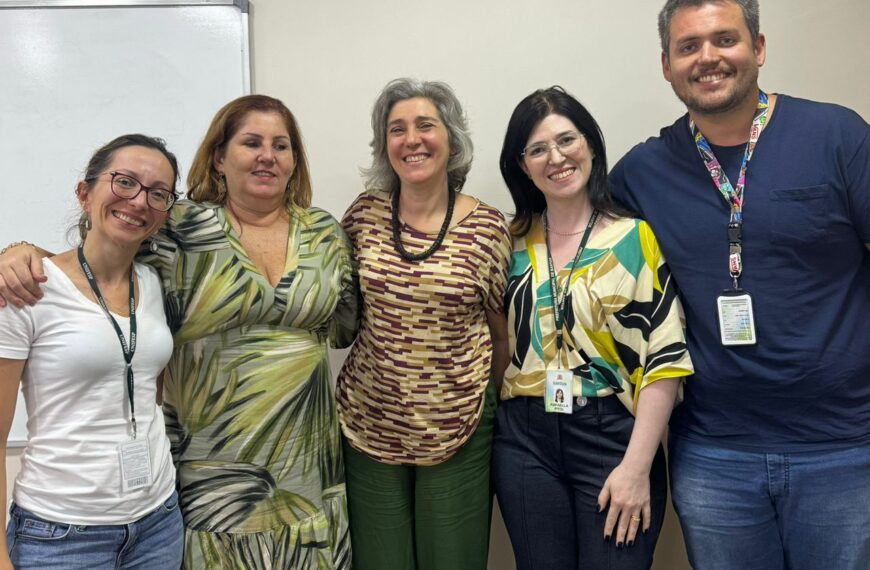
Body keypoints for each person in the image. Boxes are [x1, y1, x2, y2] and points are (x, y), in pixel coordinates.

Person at [0, 95, 358, 569]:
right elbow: (100, 258)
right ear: (219, 158)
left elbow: (345, 328)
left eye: (282, 145)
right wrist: (19, 250)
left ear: (295, 161)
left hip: (310, 474)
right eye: (251, 142)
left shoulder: (325, 233)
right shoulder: (180, 228)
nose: (267, 155)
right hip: (211, 482)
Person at [609, 1, 870, 569]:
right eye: (688, 46)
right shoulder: (641, 173)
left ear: (759, 48)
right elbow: (584, 255)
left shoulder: (838, 135)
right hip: (713, 454)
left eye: (724, 40)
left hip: (844, 448)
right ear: (665, 65)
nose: (707, 58)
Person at [493, 87, 694, 570]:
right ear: (523, 165)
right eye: (537, 149)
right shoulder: (509, 242)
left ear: (590, 145)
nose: (555, 158)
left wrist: (637, 465)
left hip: (611, 438)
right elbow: (496, 340)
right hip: (524, 439)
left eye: (567, 140)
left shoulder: (633, 238)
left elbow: (665, 362)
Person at [337, 78, 511, 570]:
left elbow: (502, 334)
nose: (411, 139)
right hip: (369, 423)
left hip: (460, 421)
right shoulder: (363, 217)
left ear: (451, 139)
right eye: (397, 129)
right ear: (385, 145)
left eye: (425, 125)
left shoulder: (488, 228)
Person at [0, 134, 183, 569]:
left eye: (158, 194)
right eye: (124, 182)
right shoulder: (26, 289)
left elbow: (145, 393)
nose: (139, 201)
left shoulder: (156, 285)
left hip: (158, 523)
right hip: (60, 535)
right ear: (85, 193)